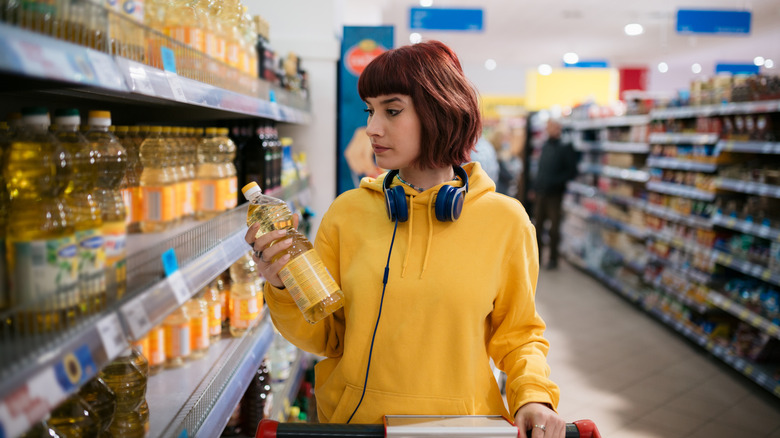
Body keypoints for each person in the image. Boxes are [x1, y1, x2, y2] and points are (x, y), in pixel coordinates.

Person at [246, 40, 564, 438]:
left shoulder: (505, 220)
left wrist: (533, 395)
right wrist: (280, 284)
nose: (372, 128)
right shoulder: (348, 213)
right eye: (370, 111)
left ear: (440, 110)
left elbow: (519, 335)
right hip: (356, 428)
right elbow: (326, 337)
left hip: (463, 428)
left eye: (392, 111)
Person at [533, 120, 578, 270]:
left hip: (555, 195)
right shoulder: (545, 146)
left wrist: (555, 183)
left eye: (550, 127)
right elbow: (540, 169)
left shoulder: (565, 147)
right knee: (537, 227)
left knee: (554, 228)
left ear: (558, 128)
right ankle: (536, 258)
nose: (548, 129)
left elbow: (571, 172)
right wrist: (536, 186)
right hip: (541, 192)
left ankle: (553, 259)